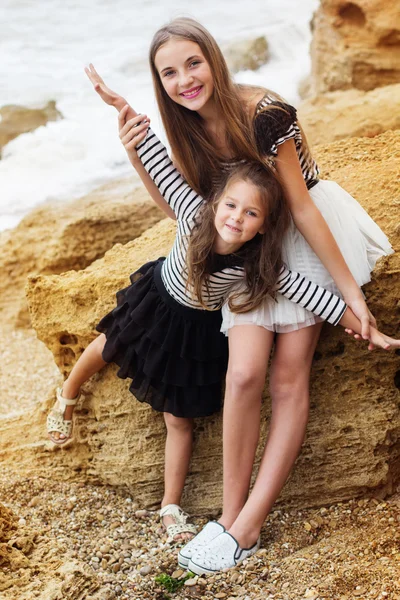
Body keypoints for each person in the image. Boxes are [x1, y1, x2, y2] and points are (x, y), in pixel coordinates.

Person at [84, 10, 394, 569]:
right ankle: (228, 516)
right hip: (246, 243)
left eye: (193, 63)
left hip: (300, 233)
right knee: (244, 372)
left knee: (286, 374)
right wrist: (136, 152)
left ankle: (248, 526)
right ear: (161, 84)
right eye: (170, 74)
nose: (185, 81)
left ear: (214, 59)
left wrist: (350, 294)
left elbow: (298, 204)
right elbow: (186, 211)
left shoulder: (264, 112)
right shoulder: (185, 127)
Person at [49, 118, 386, 543]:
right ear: (215, 203)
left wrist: (368, 329)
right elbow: (159, 165)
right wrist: (127, 114)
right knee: (112, 343)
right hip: (159, 301)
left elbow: (314, 297)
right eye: (230, 206)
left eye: (250, 214)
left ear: (263, 226)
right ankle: (68, 394)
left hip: (196, 330)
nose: (236, 218)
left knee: (179, 418)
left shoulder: (256, 265)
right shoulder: (193, 213)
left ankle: (170, 506)